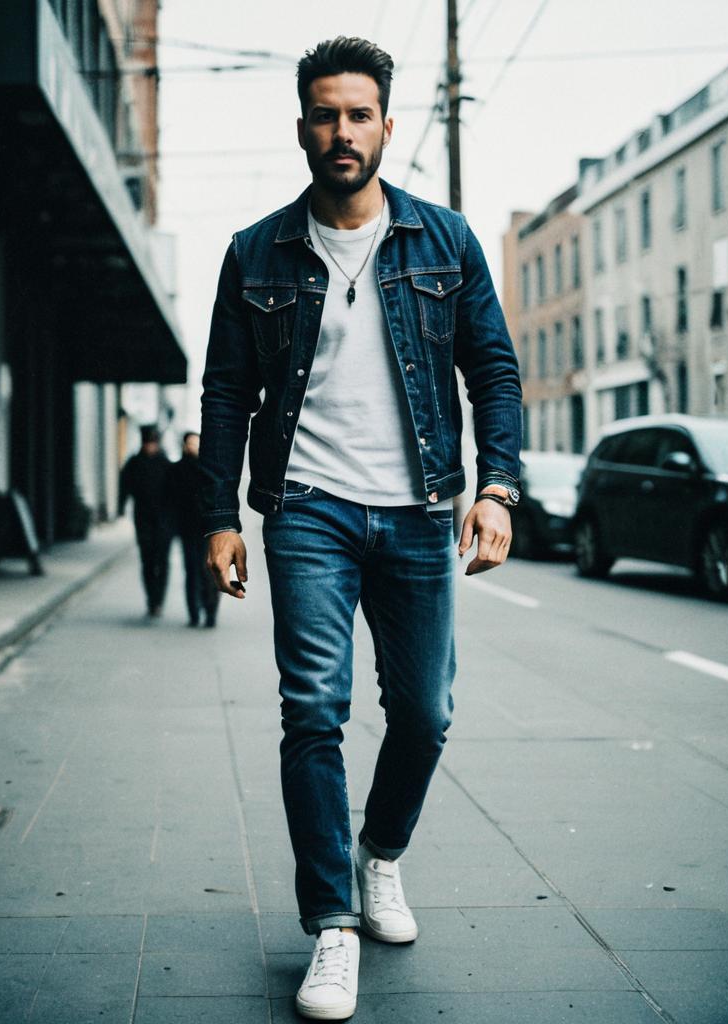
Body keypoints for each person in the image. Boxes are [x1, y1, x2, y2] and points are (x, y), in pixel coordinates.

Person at [199, 36, 522, 1021]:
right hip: (308, 509)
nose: (341, 131)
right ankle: (331, 924)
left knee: (424, 713)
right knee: (314, 709)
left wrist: (498, 489)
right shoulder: (256, 251)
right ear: (303, 125)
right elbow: (224, 391)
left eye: (358, 114)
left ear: (389, 123)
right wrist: (219, 512)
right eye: (325, 115)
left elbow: (494, 369)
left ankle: (380, 854)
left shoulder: (447, 242)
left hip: (422, 509)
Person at [119, 425, 173, 618]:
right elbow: (124, 487)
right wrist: (119, 508)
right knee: (148, 560)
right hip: (143, 518)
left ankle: (159, 599)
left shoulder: (166, 464)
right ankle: (152, 599)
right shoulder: (134, 463)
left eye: (153, 442)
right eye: (148, 443)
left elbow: (176, 493)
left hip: (165, 519)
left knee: (162, 560)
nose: (150, 446)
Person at [170, 431, 220, 628]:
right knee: (191, 571)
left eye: (196, 443)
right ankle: (193, 612)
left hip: (208, 529)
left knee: (209, 571)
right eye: (190, 443)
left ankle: (210, 612)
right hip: (187, 529)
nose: (193, 446)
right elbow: (170, 501)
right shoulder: (177, 470)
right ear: (184, 446)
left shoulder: (209, 470)